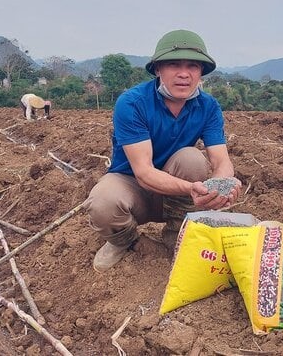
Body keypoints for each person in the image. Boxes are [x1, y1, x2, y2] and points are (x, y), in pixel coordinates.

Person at [84, 29, 242, 272]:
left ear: (201, 72)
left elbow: (221, 160)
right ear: (158, 69)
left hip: (174, 192)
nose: (183, 74)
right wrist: (192, 188)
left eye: (193, 66)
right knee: (103, 203)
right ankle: (124, 241)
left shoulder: (208, 106)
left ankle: (175, 233)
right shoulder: (133, 102)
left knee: (192, 159)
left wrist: (222, 185)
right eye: (173, 65)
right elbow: (144, 173)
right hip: (133, 183)